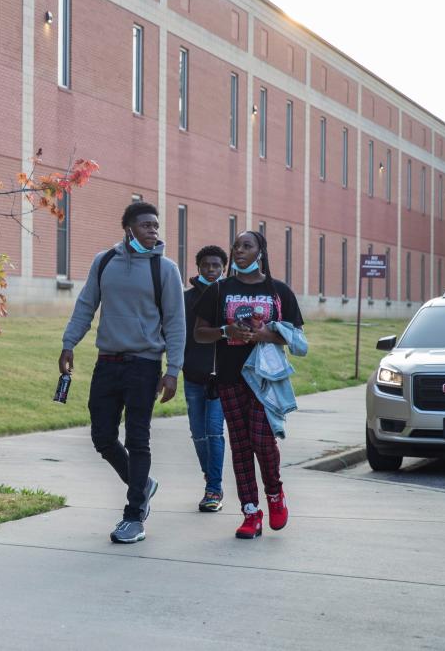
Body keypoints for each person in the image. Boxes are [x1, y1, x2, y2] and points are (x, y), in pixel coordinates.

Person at [59, 201, 186, 544]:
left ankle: (134, 516)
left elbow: (176, 323)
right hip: (108, 362)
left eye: (156, 226)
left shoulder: (166, 269)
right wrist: (69, 343)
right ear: (128, 228)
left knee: (138, 438)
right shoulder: (105, 262)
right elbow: (86, 305)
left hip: (144, 366)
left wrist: (173, 370)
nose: (153, 231)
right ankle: (141, 482)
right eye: (146, 225)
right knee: (102, 437)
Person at [192, 230, 303, 539]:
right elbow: (200, 333)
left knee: (263, 441)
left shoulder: (278, 291)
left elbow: (296, 336)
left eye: (246, 246)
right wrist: (226, 331)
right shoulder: (219, 290)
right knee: (240, 446)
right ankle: (250, 512)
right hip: (229, 377)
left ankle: (275, 494)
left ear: (260, 252)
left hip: (265, 380)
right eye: (236, 246)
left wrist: (266, 334)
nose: (239, 251)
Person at [182, 245, 228, 513]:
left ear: (223, 268)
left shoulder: (230, 297)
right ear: (198, 267)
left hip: (222, 378)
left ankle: (214, 488)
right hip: (193, 375)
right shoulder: (186, 299)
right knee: (198, 434)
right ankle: (210, 477)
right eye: (206, 265)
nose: (211, 270)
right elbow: (177, 335)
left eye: (216, 266)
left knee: (213, 430)